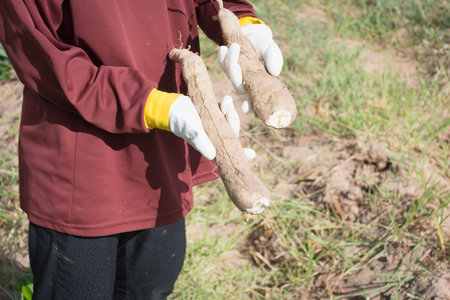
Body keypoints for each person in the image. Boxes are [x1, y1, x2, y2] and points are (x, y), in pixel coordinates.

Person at [0, 1, 283, 299]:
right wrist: (155, 106)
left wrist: (243, 27)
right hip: (82, 165)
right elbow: (41, 51)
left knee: (152, 284)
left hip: (162, 156)